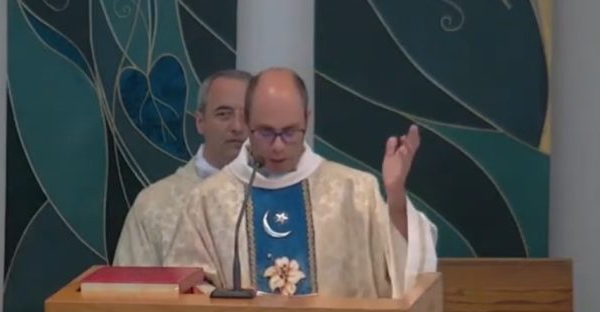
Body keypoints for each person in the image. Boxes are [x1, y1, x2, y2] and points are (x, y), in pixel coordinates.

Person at [163, 67, 437, 298]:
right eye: (266, 132)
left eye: (289, 132)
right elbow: (186, 287)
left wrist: (395, 194)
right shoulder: (209, 200)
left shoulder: (354, 190)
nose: (278, 146)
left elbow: (402, 270)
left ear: (307, 118)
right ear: (247, 122)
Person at [113, 69, 252, 266]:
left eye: (247, 116)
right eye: (223, 114)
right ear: (200, 122)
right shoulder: (155, 204)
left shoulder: (280, 198)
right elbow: (129, 284)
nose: (237, 126)